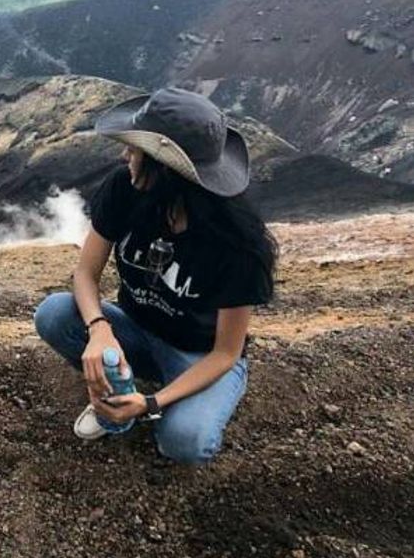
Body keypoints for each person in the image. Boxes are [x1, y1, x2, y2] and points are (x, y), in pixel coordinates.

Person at [33, 87, 278, 464]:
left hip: (198, 354)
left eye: (135, 151)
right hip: (133, 326)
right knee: (54, 314)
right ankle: (117, 391)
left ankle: (158, 397)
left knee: (185, 442)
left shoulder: (237, 246)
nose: (125, 155)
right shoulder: (123, 189)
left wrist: (150, 403)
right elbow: (85, 273)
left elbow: (226, 352)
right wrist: (100, 329)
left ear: (165, 170)